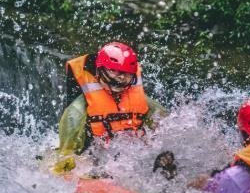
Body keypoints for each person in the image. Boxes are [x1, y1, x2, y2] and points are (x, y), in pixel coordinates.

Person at [52, 42, 167, 173]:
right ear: (99, 70)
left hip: (130, 154)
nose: (121, 79)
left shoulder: (137, 96)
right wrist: (66, 153)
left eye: (126, 74)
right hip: (92, 149)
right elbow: (72, 118)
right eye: (114, 71)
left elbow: (162, 117)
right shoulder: (86, 98)